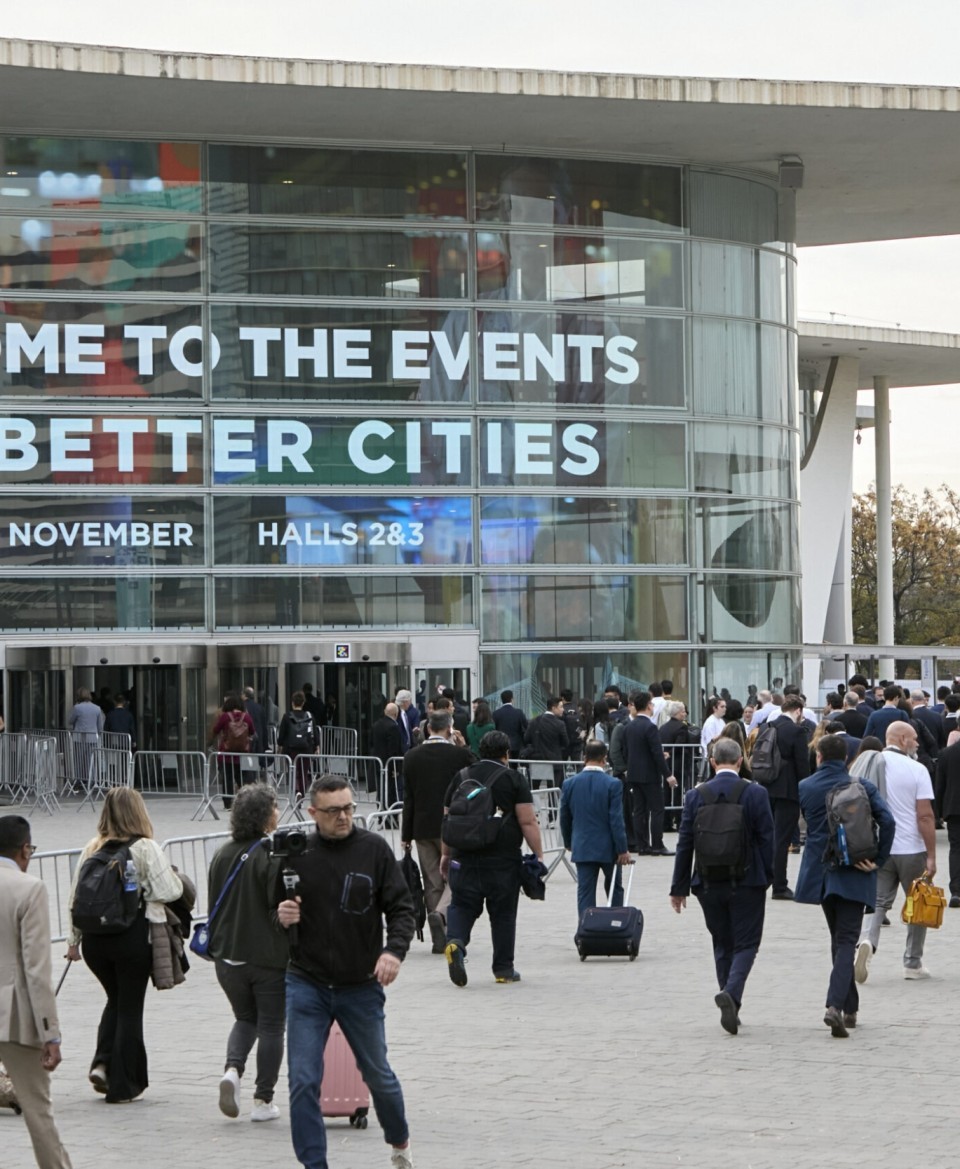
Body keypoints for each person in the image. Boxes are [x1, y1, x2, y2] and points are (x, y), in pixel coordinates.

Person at [277, 775, 416, 1169]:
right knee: (303, 1080)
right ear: (313, 813)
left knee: (379, 1077)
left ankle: (400, 1142)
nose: (343, 817)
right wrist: (282, 916)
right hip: (306, 981)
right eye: (334, 810)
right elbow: (276, 912)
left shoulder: (373, 850)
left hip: (360, 984)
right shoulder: (297, 853)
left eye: (349, 808)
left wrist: (393, 952)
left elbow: (401, 909)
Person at [65, 788, 184, 1102]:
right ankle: (123, 1085)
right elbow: (169, 890)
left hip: (95, 943)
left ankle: (103, 1063)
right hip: (132, 937)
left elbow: (75, 898)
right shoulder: (145, 846)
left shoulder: (92, 847)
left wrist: (73, 941)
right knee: (130, 1007)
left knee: (115, 1000)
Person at [668, 739, 775, 1034]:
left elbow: (684, 843)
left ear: (713, 762)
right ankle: (731, 993)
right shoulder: (755, 793)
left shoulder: (695, 795)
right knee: (747, 943)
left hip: (707, 882)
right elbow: (768, 838)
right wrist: (768, 877)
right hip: (748, 881)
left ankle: (728, 995)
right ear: (741, 761)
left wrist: (678, 887)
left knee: (721, 941)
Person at [795, 734, 895, 1036]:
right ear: (847, 758)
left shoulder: (805, 787)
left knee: (838, 939)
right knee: (845, 940)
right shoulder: (861, 786)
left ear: (819, 757)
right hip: (855, 870)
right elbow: (888, 821)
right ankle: (835, 1006)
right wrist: (879, 857)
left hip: (822, 874)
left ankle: (850, 1009)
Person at [208, 784, 288, 1123]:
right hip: (267, 957)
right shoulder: (271, 855)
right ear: (266, 816)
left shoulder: (222, 853)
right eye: (274, 808)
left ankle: (232, 1071)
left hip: (227, 956)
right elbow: (279, 908)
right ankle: (263, 1100)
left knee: (244, 1018)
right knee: (271, 1025)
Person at [441, 730, 545, 987]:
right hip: (502, 859)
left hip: (464, 856)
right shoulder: (513, 779)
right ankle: (503, 969)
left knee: (462, 905)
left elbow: (448, 818)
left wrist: (445, 854)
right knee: (503, 914)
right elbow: (527, 820)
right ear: (506, 753)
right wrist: (539, 854)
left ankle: (455, 942)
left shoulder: (461, 777)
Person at [0, 815, 74, 1169]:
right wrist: (51, 1033)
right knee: (37, 1111)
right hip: (13, 1015)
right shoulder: (29, 889)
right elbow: (36, 970)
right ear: (24, 849)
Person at [853, 721, 938, 982]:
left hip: (879, 846)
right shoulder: (917, 769)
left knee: (877, 901)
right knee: (918, 901)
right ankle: (912, 963)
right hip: (911, 847)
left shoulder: (869, 764)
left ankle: (867, 940)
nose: (918, 743)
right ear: (902, 739)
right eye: (914, 738)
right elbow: (924, 816)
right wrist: (932, 855)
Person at [401, 710, 475, 953]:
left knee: (432, 879)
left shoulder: (411, 756)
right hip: (452, 824)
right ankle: (442, 916)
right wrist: (465, 746)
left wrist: (405, 835)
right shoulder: (458, 755)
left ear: (427, 728)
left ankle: (438, 936)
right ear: (449, 728)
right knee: (456, 876)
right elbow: (477, 772)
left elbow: (408, 798)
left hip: (421, 827)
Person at [560, 740, 631, 919]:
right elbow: (616, 819)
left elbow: (564, 816)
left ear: (584, 758)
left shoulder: (569, 784)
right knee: (614, 887)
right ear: (604, 759)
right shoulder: (613, 784)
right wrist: (622, 848)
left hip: (582, 845)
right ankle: (615, 926)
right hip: (609, 847)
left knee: (585, 892)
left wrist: (569, 841)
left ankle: (586, 929)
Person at [765, 696, 811, 900]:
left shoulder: (768, 727)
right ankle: (779, 886)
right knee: (782, 839)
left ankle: (766, 878)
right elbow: (802, 765)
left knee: (769, 836)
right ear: (799, 710)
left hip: (767, 787)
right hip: (788, 790)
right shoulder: (797, 731)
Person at [623, 690, 676, 856]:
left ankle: (643, 845)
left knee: (639, 810)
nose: (653, 706)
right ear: (647, 706)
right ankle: (657, 844)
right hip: (650, 774)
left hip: (634, 773)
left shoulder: (629, 726)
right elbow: (656, 753)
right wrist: (668, 774)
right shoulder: (650, 727)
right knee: (657, 809)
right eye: (651, 703)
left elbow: (627, 751)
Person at [209, 695, 256, 809]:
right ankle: (245, 802)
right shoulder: (247, 717)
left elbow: (215, 730)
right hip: (242, 755)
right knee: (242, 779)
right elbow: (252, 732)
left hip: (226, 754)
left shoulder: (225, 717)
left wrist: (210, 742)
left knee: (227, 779)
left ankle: (228, 803)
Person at [934, 733, 960, 908]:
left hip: (954, 808)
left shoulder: (946, 753)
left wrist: (940, 812)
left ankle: (956, 891)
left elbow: (940, 785)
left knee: (956, 849)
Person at [278, 692, 318, 799]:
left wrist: (280, 745)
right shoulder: (309, 716)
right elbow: (314, 732)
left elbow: (282, 734)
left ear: (292, 703)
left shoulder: (287, 717)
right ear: (303, 703)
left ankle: (296, 790)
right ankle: (301, 792)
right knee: (304, 771)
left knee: (293, 770)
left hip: (290, 749)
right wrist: (317, 746)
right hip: (306, 748)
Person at [492, 690, 528, 758]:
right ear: (512, 699)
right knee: (515, 766)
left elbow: (494, 729)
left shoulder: (496, 713)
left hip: (501, 744)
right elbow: (526, 727)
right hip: (516, 745)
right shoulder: (519, 712)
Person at [371, 702, 404, 768]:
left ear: (385, 712)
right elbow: (394, 749)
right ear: (396, 714)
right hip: (388, 765)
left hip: (376, 763)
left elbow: (371, 743)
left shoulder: (375, 725)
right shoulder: (393, 727)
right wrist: (395, 768)